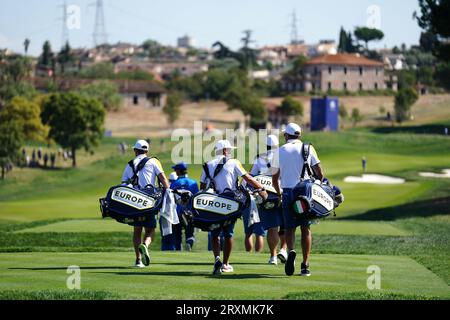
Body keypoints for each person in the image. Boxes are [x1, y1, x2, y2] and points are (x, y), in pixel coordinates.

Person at [200, 139, 268, 275]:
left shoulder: (208, 164)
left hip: (213, 202)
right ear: (225, 150)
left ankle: (216, 259)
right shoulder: (234, 162)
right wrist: (261, 187)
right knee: (228, 233)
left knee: (214, 233)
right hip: (230, 202)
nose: (230, 152)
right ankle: (225, 264)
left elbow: (202, 186)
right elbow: (248, 178)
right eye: (229, 150)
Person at [271, 123, 324, 277]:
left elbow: (275, 178)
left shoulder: (279, 151)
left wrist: (279, 193)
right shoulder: (308, 148)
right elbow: (320, 173)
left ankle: (291, 250)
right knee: (305, 228)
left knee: (289, 228)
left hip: (287, 192)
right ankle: (305, 265)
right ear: (299, 135)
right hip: (305, 193)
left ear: (285, 135)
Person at [121, 139, 170, 268]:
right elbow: (163, 179)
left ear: (135, 151)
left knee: (137, 230)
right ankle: (146, 244)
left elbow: (123, 184)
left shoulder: (130, 164)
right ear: (147, 151)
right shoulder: (153, 162)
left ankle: (138, 260)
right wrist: (169, 193)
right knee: (150, 229)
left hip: (134, 202)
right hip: (149, 201)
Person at [248, 134, 287, 265]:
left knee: (272, 227)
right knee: (286, 225)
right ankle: (283, 249)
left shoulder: (259, 159)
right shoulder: (283, 157)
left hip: (266, 197)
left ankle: (273, 256)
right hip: (283, 193)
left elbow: (251, 177)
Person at [170, 162, 199, 251]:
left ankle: (178, 250)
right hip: (190, 213)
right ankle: (189, 243)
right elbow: (197, 198)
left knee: (177, 235)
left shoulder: (174, 183)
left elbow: (171, 198)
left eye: (175, 170)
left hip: (177, 213)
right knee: (190, 233)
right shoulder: (193, 183)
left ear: (178, 171)